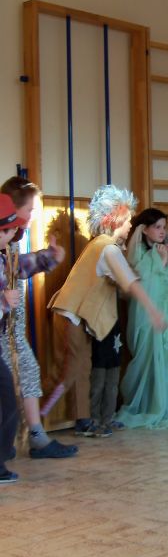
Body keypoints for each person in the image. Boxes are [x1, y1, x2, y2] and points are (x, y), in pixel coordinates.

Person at [42, 186, 166, 437]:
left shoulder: (104, 246)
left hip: (76, 318)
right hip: (69, 315)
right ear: (114, 220)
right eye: (128, 220)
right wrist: (153, 311)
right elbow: (131, 283)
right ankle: (33, 417)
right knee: (68, 373)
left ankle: (61, 420)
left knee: (77, 370)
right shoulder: (107, 248)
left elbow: (121, 282)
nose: (130, 225)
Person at [0, 177, 77, 459]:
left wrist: (48, 258)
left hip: (12, 327)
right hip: (4, 329)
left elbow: (18, 266)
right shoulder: (4, 238)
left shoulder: (11, 240)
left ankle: (33, 437)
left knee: (27, 373)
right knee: (10, 387)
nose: (33, 216)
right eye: (30, 210)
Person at [117, 208, 168, 427]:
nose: (162, 232)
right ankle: (151, 403)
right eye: (157, 227)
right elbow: (142, 285)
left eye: (164, 227)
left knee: (167, 357)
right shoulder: (139, 254)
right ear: (144, 230)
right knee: (150, 356)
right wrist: (161, 261)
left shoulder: (167, 249)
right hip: (147, 316)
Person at [0, 195, 31, 483]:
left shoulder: (3, 255)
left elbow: (23, 265)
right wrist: (3, 302)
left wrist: (48, 257)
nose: (12, 236)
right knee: (8, 399)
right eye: (9, 231)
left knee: (8, 399)